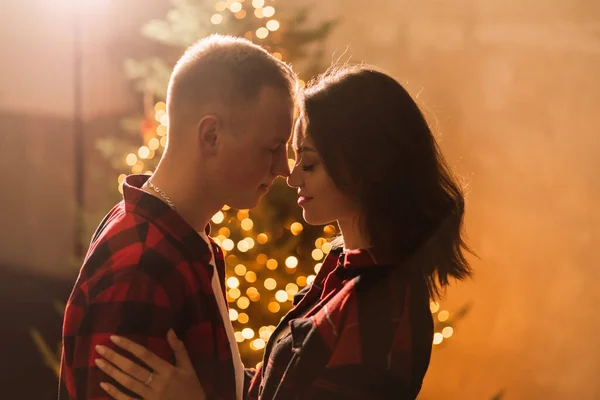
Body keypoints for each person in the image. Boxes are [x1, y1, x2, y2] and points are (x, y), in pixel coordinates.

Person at [94, 64, 474, 399]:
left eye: (308, 164)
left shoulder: (378, 310)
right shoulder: (343, 268)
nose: (289, 177)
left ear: (363, 169)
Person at [59, 34, 298, 400]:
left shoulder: (187, 237)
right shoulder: (142, 267)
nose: (284, 167)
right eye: (272, 148)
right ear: (212, 135)